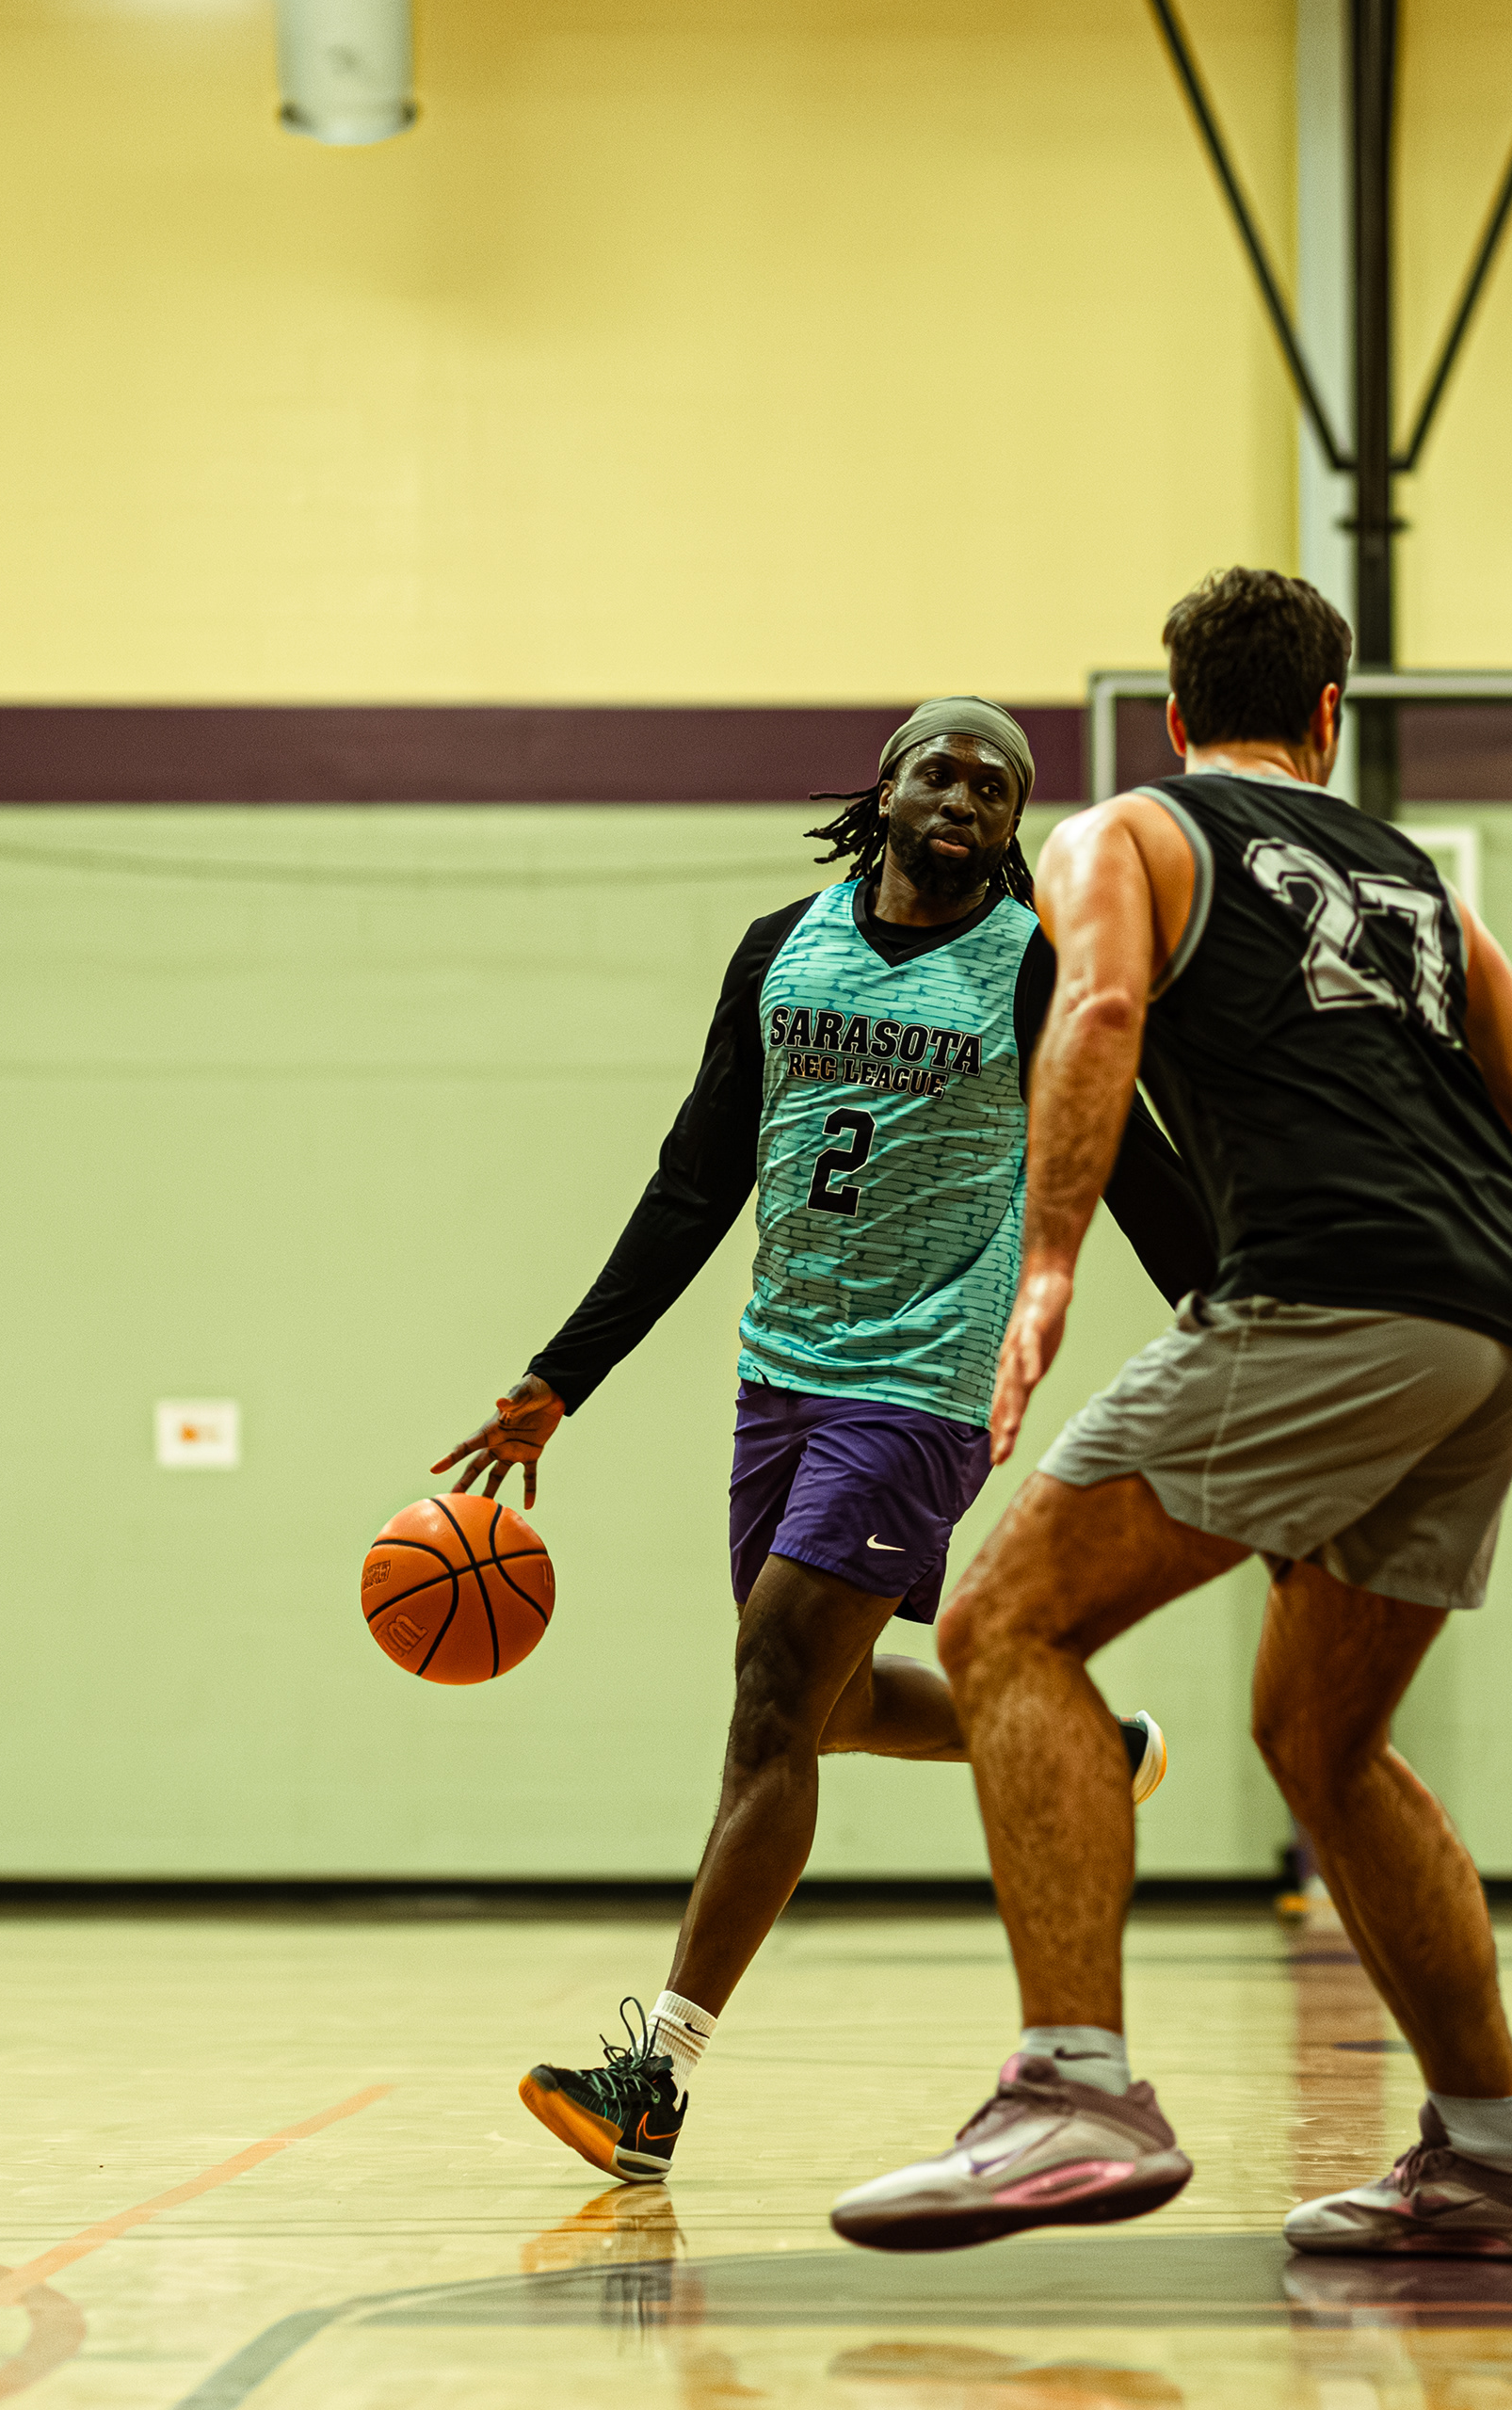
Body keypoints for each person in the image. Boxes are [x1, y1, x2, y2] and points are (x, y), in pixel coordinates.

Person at [829, 570, 1512, 2260]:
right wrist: (1450, 1342)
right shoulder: (1426, 887)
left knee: (1003, 1627)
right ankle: (1498, 2153)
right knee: (1325, 1742)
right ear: (1328, 717)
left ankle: (1073, 2090)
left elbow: (1102, 1007)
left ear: (1175, 715)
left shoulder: (1129, 831)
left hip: (1327, 1290)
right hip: (1505, 1322)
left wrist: (1049, 1263)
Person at [436, 698, 1214, 2186]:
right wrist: (561, 1377)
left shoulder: (1036, 966)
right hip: (779, 1374)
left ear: (1014, 826)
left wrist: (1245, 1320)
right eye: (942, 772)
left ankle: (655, 2081)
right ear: (888, 788)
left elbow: (1134, 1170)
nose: (966, 800)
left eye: (997, 789)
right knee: (832, 1704)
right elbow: (694, 1179)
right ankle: (1081, 1745)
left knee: (770, 1705)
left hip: (922, 1384)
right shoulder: (779, 950)